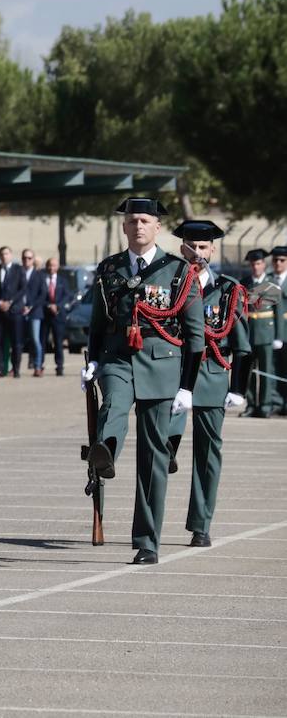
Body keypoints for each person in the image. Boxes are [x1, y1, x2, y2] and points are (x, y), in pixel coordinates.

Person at [83, 197, 203, 565]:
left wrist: (187, 386)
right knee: (113, 405)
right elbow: (100, 321)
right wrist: (91, 361)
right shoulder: (109, 268)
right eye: (132, 220)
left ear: (157, 228)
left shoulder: (179, 272)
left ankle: (147, 541)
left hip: (162, 365)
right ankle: (105, 454)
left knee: (153, 457)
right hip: (118, 357)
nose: (138, 226)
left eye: (145, 221)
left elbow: (195, 334)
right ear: (124, 227)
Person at [167, 220, 250, 548]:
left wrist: (238, 387)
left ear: (212, 250)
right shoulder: (169, 283)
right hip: (172, 378)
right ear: (181, 247)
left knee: (207, 453)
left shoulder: (227, 290)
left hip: (212, 377)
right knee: (161, 442)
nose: (197, 253)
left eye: (203, 247)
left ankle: (201, 524)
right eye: (191, 246)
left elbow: (243, 345)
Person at [240, 249, 282, 417]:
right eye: (253, 264)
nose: (256, 267)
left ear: (264, 264)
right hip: (249, 333)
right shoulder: (244, 283)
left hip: (266, 333)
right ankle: (250, 405)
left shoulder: (271, 283)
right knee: (248, 372)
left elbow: (278, 312)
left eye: (258, 263)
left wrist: (278, 336)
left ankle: (265, 405)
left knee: (266, 372)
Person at [0, 246, 25, 378]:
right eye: (2, 254)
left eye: (7, 254)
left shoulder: (18, 270)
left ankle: (16, 369)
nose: (4, 256)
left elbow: (22, 288)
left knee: (16, 342)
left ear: (11, 255)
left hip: (14, 311)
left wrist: (10, 302)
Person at [18, 249, 45, 375]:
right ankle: (15, 367)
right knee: (17, 340)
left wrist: (30, 306)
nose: (26, 260)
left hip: (34, 312)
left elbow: (42, 293)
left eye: (29, 258)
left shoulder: (39, 275)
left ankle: (38, 366)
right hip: (19, 310)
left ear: (33, 260)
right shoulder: (17, 273)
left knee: (35, 340)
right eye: (24, 258)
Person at [274, 246, 287, 417]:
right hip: (274, 334)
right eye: (275, 260)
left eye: (282, 260)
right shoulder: (270, 280)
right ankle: (279, 403)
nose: (278, 263)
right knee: (276, 370)